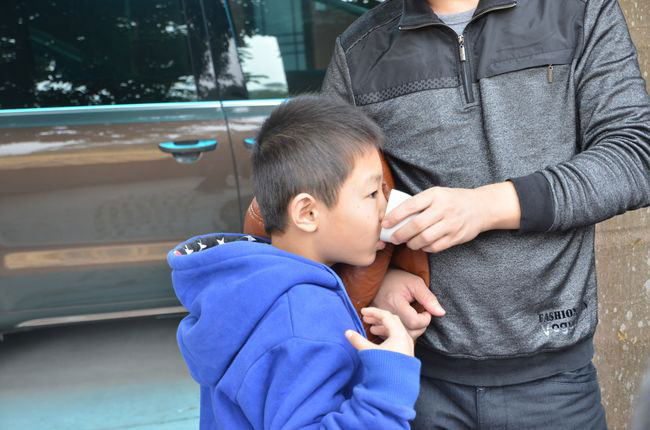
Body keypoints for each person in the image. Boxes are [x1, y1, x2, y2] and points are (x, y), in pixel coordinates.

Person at [321, 0, 650, 428]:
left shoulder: (579, 10)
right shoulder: (358, 50)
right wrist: (382, 277)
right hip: (416, 379)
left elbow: (635, 157)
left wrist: (486, 206)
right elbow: (329, 197)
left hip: (556, 384)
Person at [167, 95, 423, 430]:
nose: (385, 208)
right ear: (307, 213)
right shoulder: (302, 319)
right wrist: (390, 379)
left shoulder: (251, 286)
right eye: (373, 193)